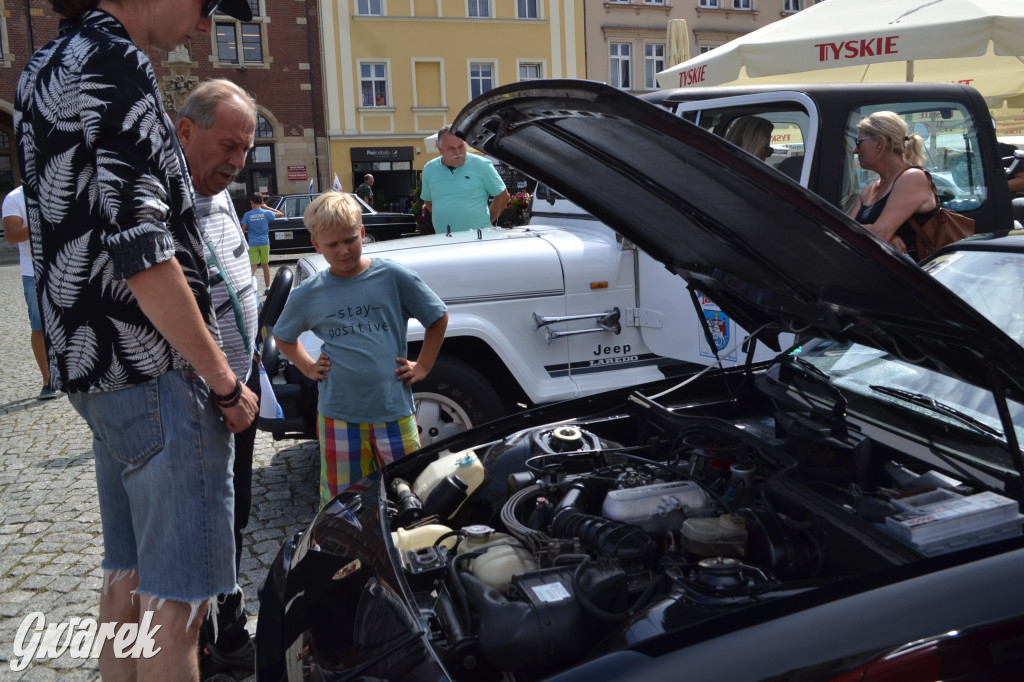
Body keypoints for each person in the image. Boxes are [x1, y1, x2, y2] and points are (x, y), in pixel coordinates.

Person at [14, 1, 259, 679]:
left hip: (95, 372)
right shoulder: (116, 63)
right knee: (178, 611)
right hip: (155, 370)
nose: (206, 24)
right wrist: (223, 380)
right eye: (206, 5)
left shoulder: (43, 66)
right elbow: (143, 249)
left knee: (126, 582)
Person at [273, 192, 449, 508]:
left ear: (363, 234)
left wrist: (423, 366)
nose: (343, 250)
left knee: (410, 491)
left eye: (350, 240)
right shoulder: (309, 293)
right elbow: (283, 336)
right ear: (316, 245)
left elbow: (437, 316)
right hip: (339, 416)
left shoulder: (393, 277)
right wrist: (308, 366)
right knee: (344, 503)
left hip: (393, 412)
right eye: (332, 245)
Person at [176, 78, 261, 679]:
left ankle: (229, 623)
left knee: (234, 512)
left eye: (246, 149)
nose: (237, 162)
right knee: (202, 520)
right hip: (206, 396)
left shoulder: (220, 191)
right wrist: (224, 386)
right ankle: (203, 645)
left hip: (243, 386)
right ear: (186, 131)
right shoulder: (164, 201)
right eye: (227, 146)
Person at [848, 111, 937, 260]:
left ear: (879, 143)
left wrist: (881, 234)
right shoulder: (870, 189)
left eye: (859, 141)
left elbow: (880, 234)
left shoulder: (911, 178)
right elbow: (843, 231)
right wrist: (881, 234)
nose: (855, 150)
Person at [3, 185, 57, 400]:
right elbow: (12, 235)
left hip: (69, 266)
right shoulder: (15, 198)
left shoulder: (57, 187)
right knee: (40, 326)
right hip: (34, 271)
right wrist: (45, 221)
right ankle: (48, 381)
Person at [420, 125, 510, 232]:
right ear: (439, 148)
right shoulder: (429, 169)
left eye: (461, 146)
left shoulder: (482, 165)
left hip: (477, 239)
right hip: (444, 240)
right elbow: (428, 202)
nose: (458, 152)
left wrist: (487, 222)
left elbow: (503, 197)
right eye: (451, 148)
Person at [240, 191, 280, 290]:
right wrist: (266, 207)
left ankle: (247, 288)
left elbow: (242, 231)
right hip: (264, 243)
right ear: (261, 202)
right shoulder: (266, 213)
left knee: (253, 266)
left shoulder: (247, 215)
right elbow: (280, 214)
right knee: (265, 265)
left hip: (253, 243)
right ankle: (267, 288)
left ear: (251, 202)